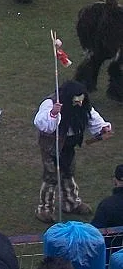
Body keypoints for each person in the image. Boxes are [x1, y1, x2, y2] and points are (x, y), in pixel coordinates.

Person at [34, 80, 113, 222]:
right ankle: (44, 209)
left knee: (68, 172)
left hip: (69, 145)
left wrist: (102, 128)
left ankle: (71, 203)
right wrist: (53, 113)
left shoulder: (81, 105)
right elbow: (42, 124)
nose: (80, 103)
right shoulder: (50, 103)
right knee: (51, 177)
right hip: (51, 146)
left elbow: (91, 116)